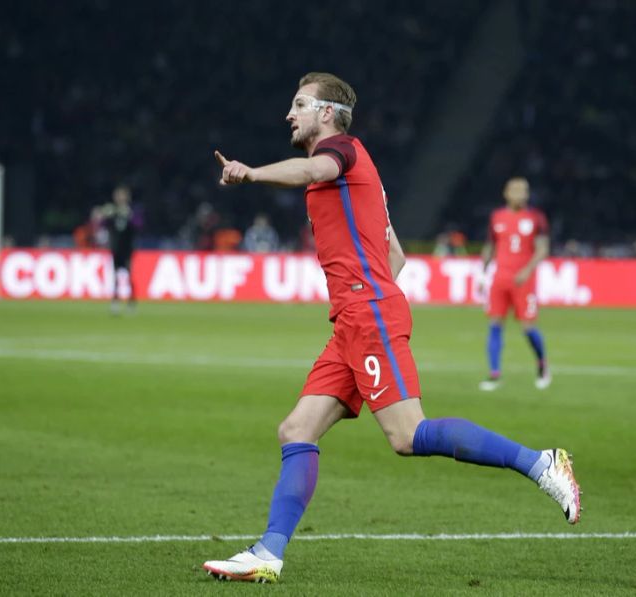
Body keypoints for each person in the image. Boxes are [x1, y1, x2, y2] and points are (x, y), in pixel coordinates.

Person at [202, 73, 581, 583]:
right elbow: (395, 255)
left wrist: (252, 175)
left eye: (299, 105)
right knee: (296, 429)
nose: (288, 115)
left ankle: (542, 463)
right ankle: (269, 552)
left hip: (367, 314)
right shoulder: (357, 175)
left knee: (407, 435)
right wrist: (370, 295)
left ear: (328, 113)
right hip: (356, 319)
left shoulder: (341, 152)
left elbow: (309, 168)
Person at [478, 177, 551, 391]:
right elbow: (490, 246)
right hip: (500, 279)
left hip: (523, 281)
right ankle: (494, 374)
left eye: (524, 190)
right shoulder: (497, 217)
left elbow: (543, 249)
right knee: (494, 325)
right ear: (506, 193)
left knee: (528, 328)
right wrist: (482, 274)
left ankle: (542, 364)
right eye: (516, 190)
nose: (521, 194)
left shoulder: (536, 218)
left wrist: (527, 271)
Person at [100, 185, 137, 313]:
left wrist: (130, 216)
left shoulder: (131, 211)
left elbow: (140, 225)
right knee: (115, 276)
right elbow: (102, 224)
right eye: (118, 195)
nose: (120, 198)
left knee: (129, 275)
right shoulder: (112, 212)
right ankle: (115, 301)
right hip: (115, 249)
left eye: (122, 195)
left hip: (127, 249)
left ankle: (131, 302)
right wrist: (104, 215)